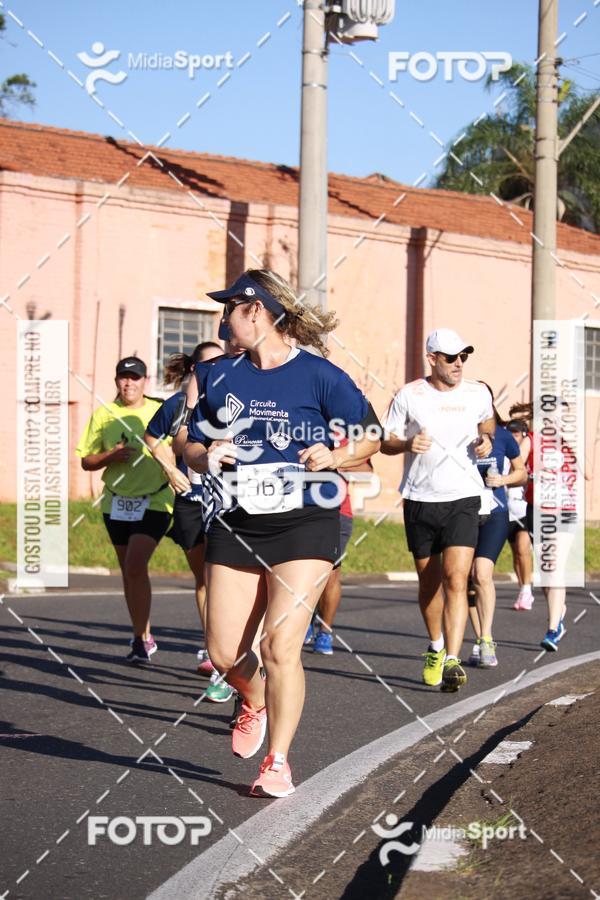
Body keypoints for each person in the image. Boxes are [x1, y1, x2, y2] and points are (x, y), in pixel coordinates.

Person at [184, 268, 381, 797]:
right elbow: (190, 444)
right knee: (226, 653)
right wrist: (206, 455)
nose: (224, 320)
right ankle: (254, 699)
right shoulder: (219, 375)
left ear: (256, 311)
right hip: (238, 518)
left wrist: (336, 454)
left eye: (230, 309)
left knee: (280, 647)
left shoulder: (321, 376)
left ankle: (278, 761)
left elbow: (371, 436)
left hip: (306, 519)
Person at [381, 329, 495, 693]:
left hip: (464, 497)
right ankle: (435, 646)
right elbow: (385, 441)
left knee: (457, 578)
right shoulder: (409, 395)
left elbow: (487, 419)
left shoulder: (477, 392)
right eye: (450, 357)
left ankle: (453, 659)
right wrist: (406, 443)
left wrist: (486, 438)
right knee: (429, 584)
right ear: (432, 358)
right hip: (420, 499)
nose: (458, 363)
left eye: (463, 356)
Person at [76, 357, 176, 662]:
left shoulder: (159, 410)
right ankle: (141, 636)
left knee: (134, 565)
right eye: (123, 378)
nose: (128, 383)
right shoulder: (104, 414)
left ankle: (141, 637)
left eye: (135, 378)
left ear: (146, 381)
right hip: (116, 501)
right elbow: (86, 460)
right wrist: (111, 455)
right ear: (117, 380)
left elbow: (180, 447)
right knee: (129, 572)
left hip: (156, 500)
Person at [144, 342, 223, 685]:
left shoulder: (233, 400)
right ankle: (212, 646)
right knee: (204, 578)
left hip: (226, 502)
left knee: (224, 575)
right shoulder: (178, 404)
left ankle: (229, 650)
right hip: (191, 499)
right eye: (207, 365)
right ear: (194, 369)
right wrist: (169, 470)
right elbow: (151, 437)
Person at [468, 388, 527, 668]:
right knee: (465, 580)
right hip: (463, 513)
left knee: (482, 572)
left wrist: (503, 480)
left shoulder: (503, 436)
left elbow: (521, 472)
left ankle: (488, 638)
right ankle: (478, 638)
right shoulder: (459, 433)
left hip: (495, 512)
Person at [505, 419, 535, 611]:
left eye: (516, 434)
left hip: (524, 510)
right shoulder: (502, 453)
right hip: (507, 512)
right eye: (511, 434)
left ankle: (526, 590)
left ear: (524, 435)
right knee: (516, 555)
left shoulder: (527, 455)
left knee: (524, 548)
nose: (513, 438)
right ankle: (523, 589)